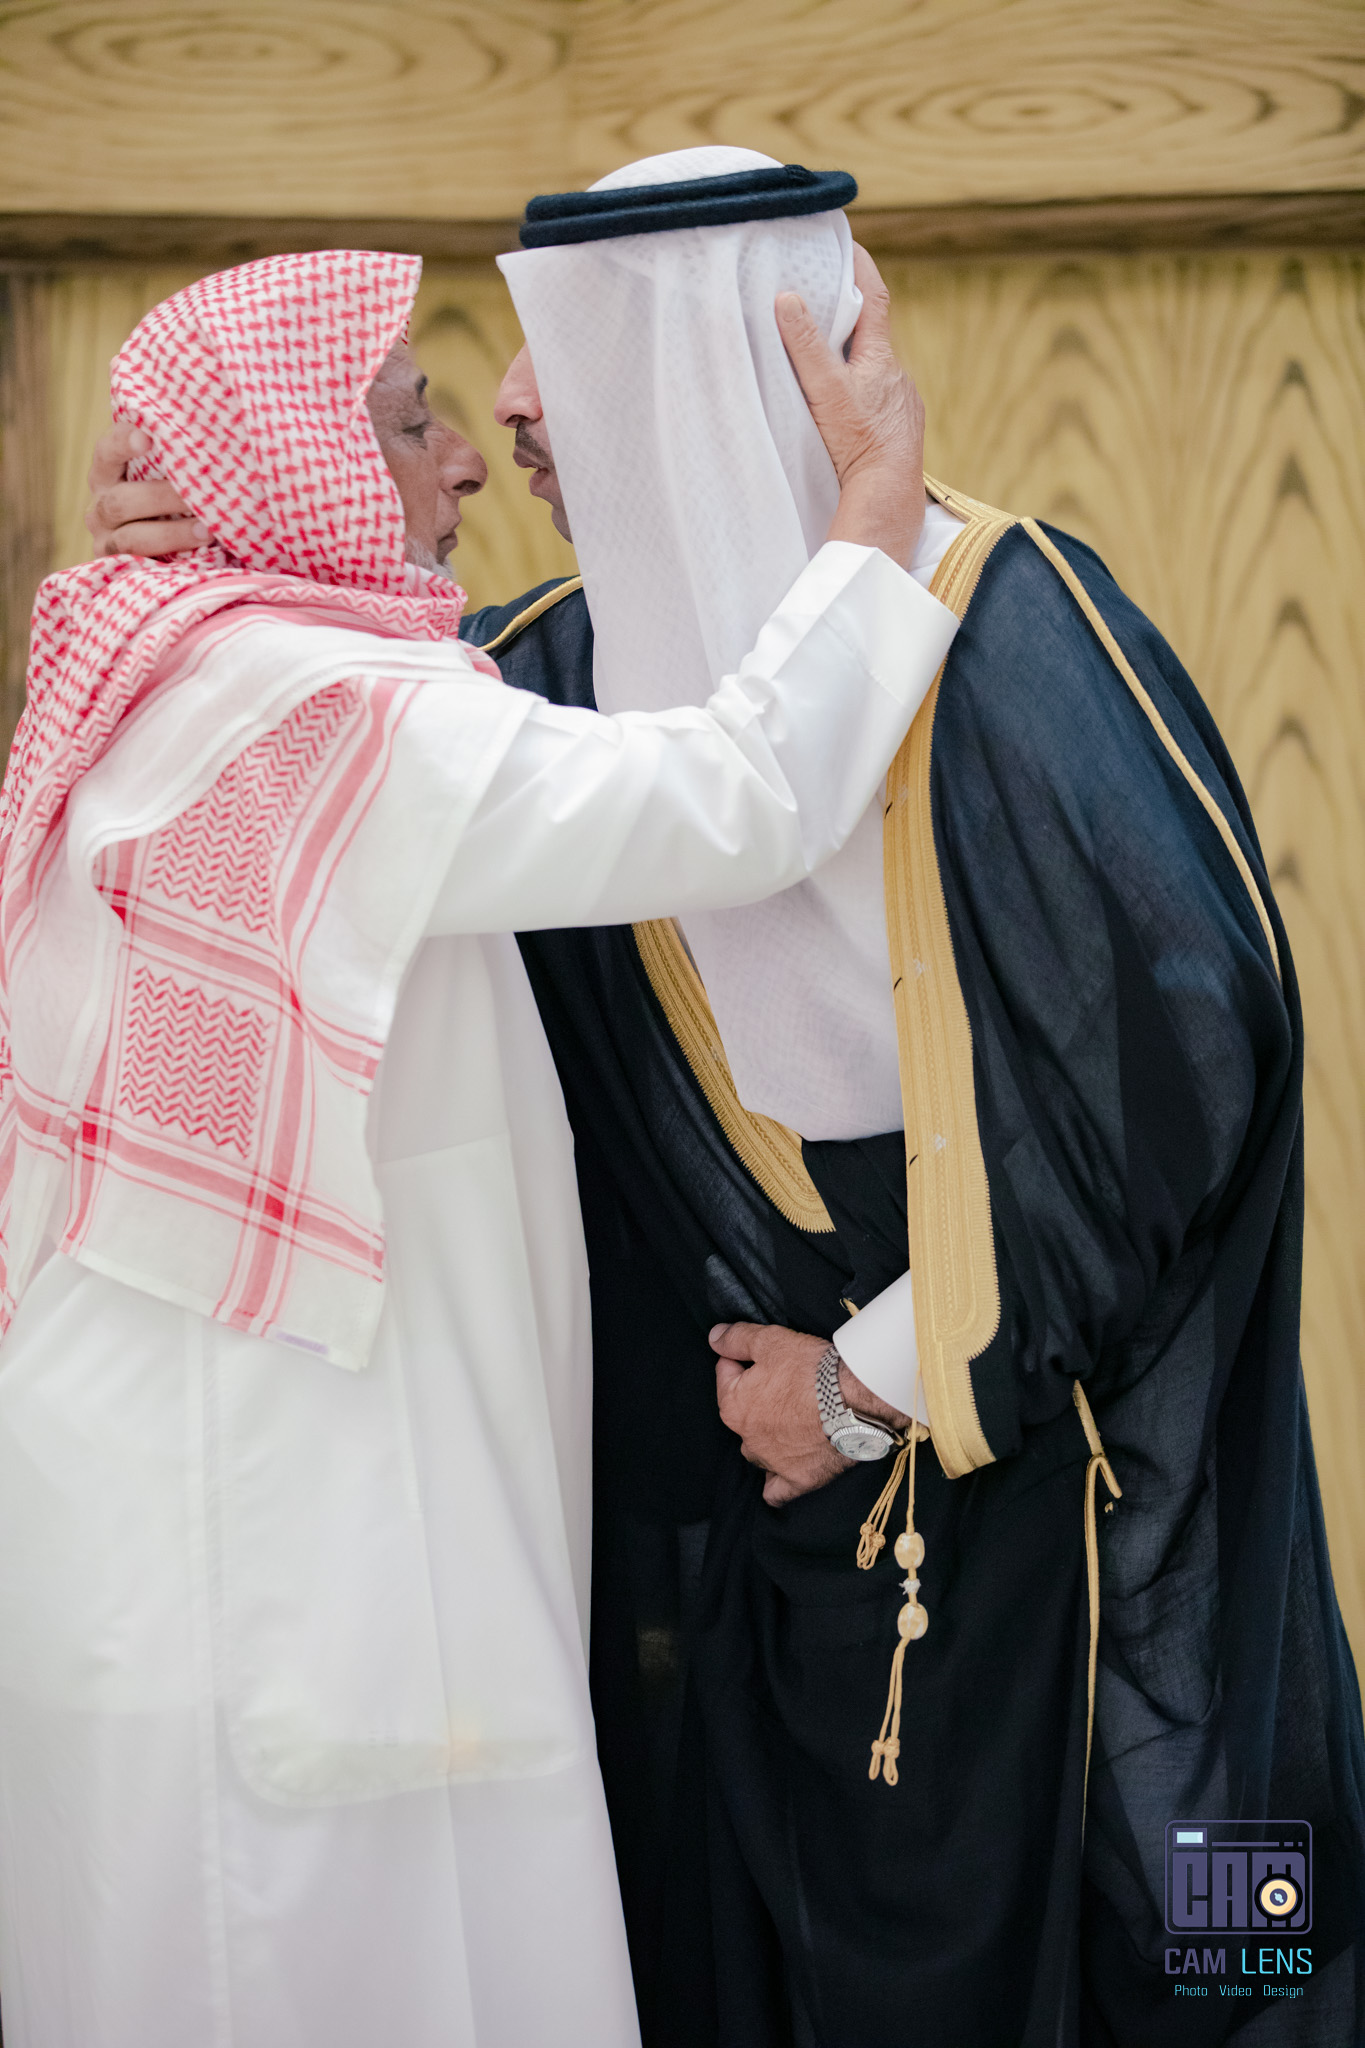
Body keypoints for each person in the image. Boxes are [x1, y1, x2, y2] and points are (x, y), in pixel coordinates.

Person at [86, 153, 1365, 2047]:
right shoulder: (542, 676)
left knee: (1186, 1946)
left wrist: (870, 1380)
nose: (515, 404)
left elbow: (1185, 1073)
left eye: (575, 349)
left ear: (726, 370)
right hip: (757, 1529)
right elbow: (308, 762)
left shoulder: (1005, 626)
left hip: (1058, 1488)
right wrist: (203, 541)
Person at [0, 241, 958, 2048]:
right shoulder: (337, 721)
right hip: (277, 1584)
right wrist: (874, 513)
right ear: (286, 463)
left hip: (163, 1552)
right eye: (407, 420)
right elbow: (741, 792)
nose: (462, 459)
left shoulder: (194, 675)